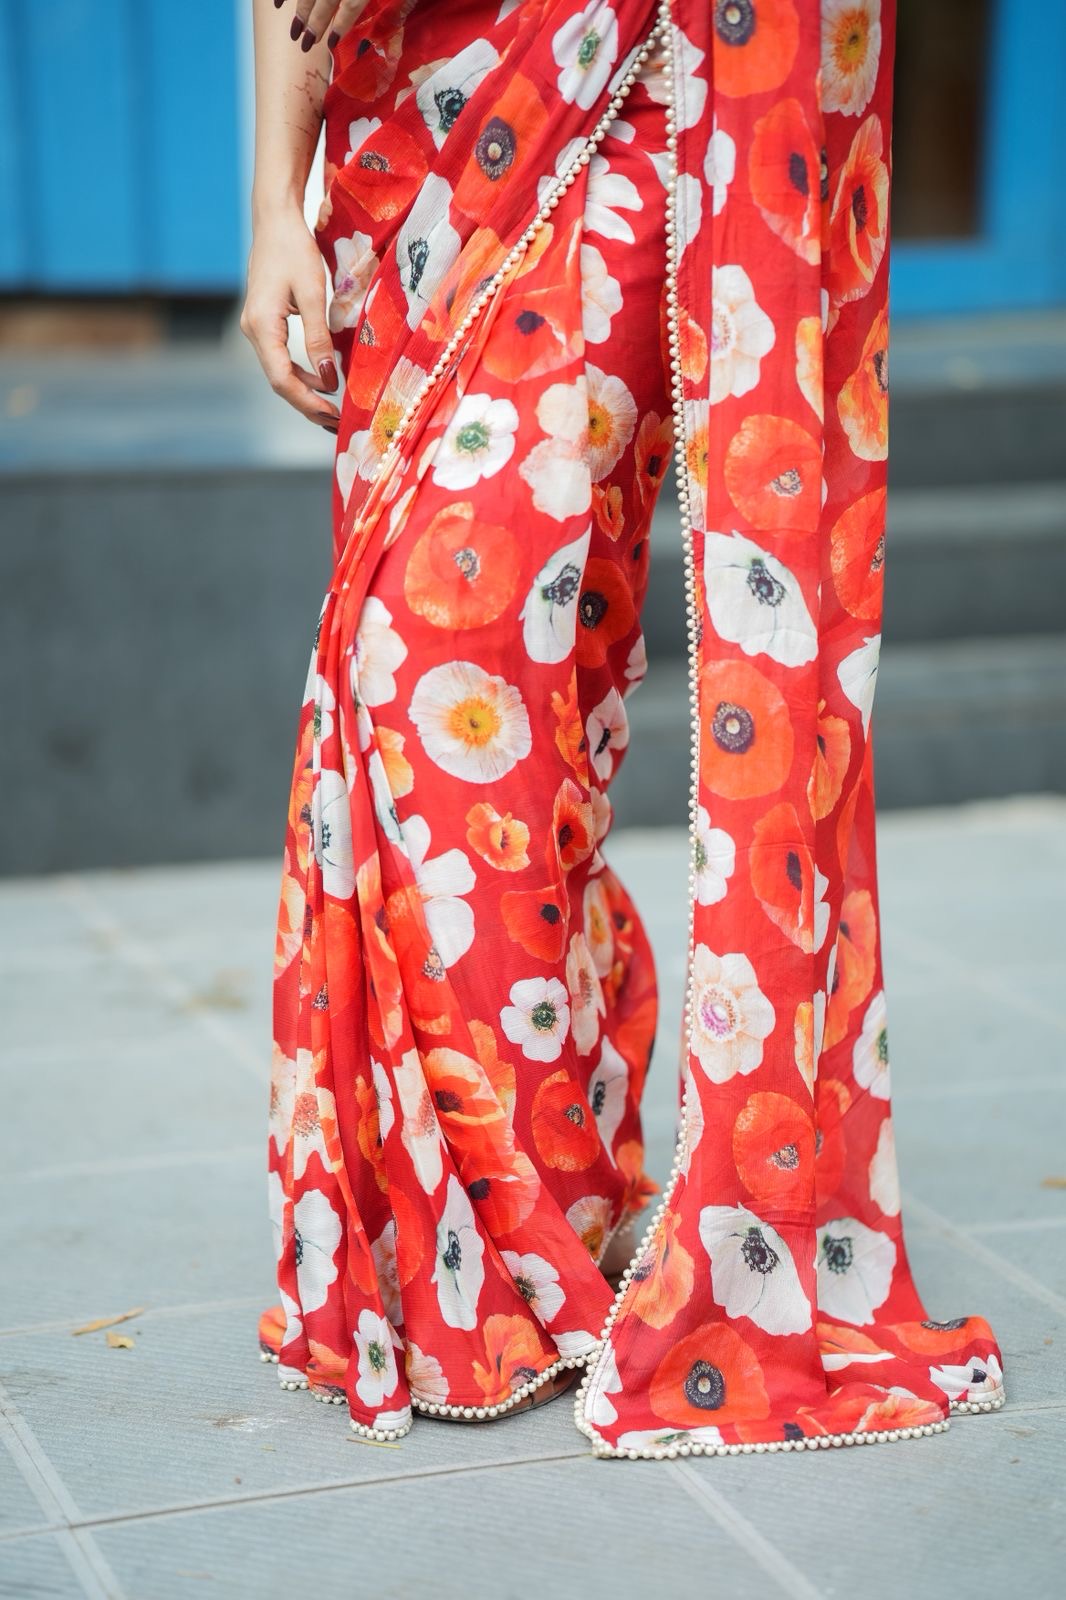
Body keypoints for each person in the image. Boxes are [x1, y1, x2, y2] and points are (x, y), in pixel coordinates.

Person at [243, 0, 1004, 1459]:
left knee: (543, 672)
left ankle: (584, 1213)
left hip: (702, 115)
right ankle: (512, 1217)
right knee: (433, 678)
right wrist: (274, 209)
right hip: (432, 134)